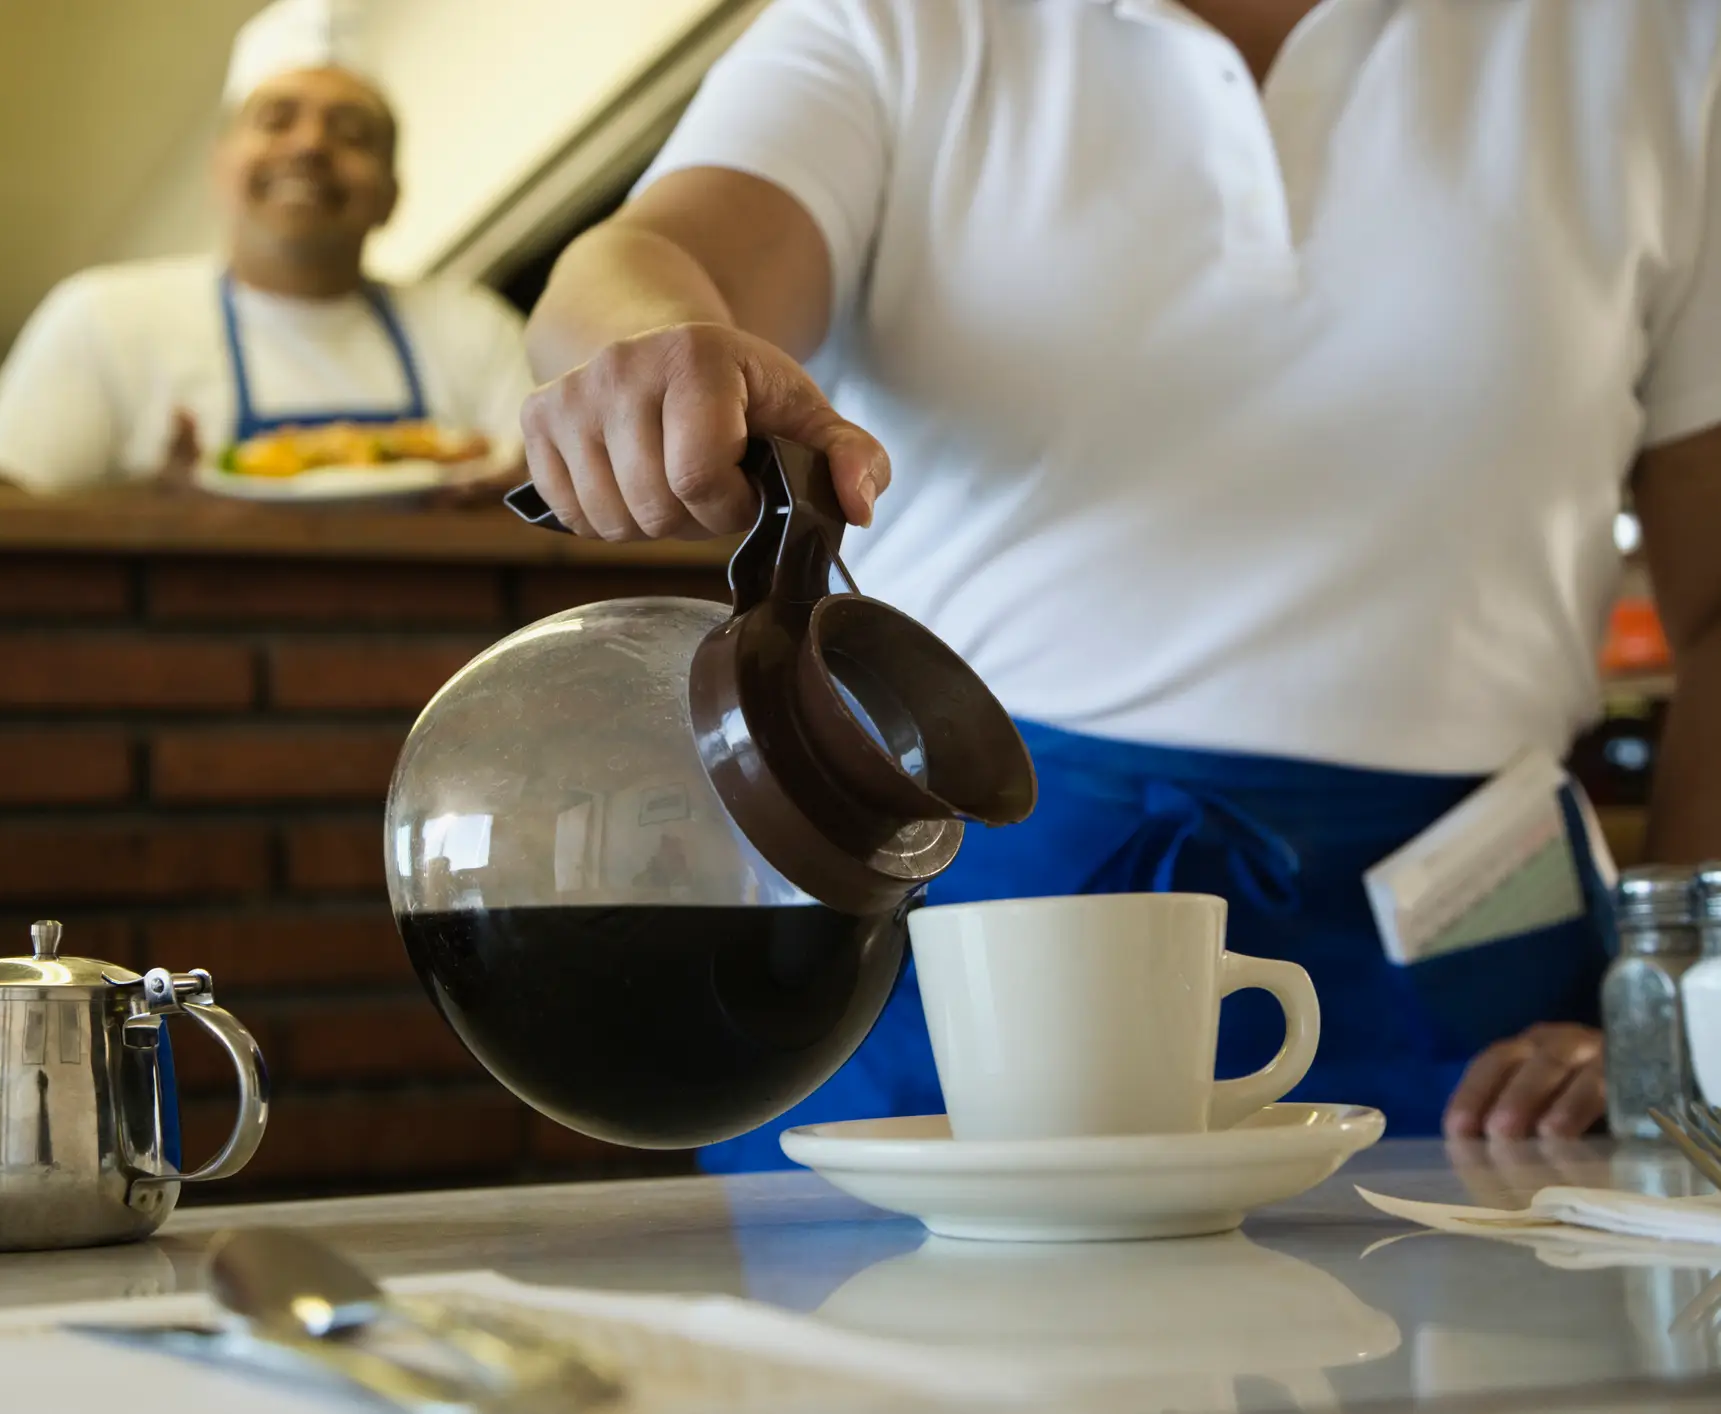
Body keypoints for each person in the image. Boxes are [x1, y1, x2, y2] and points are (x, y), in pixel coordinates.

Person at [518, 0, 1721, 1160]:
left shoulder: (1665, 40)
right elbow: (648, 255)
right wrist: (651, 350)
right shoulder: (898, 20)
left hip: (1481, 1000)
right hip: (962, 928)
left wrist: (1676, 998)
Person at [0, 0, 530, 493]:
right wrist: (147, 514)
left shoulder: (471, 328)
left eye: (353, 133)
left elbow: (551, 499)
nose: (310, 145)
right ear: (220, 167)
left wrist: (503, 510)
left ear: (390, 195)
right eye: (276, 120)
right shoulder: (104, 317)